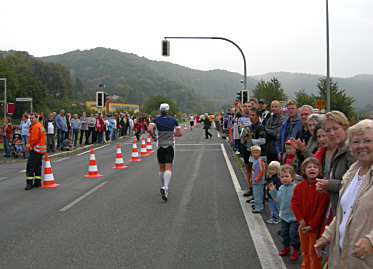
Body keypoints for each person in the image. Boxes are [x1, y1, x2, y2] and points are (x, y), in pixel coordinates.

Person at [314, 119, 373, 269]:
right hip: (343, 255)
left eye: (367, 141)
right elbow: (345, 210)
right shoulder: (353, 171)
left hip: (365, 260)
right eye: (356, 142)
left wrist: (370, 240)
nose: (361, 146)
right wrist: (327, 235)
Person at [291, 157, 331, 269]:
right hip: (303, 226)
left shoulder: (321, 188)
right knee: (305, 251)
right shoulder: (299, 186)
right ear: (304, 170)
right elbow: (294, 204)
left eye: (315, 167)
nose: (312, 169)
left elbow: (321, 210)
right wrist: (301, 220)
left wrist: (312, 225)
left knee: (314, 253)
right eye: (309, 167)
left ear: (319, 170)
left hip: (316, 229)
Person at [316, 110, 355, 214]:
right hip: (339, 210)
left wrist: (329, 184)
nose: (332, 133)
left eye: (336, 128)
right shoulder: (337, 151)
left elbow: (355, 185)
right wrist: (326, 186)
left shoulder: (351, 151)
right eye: (328, 130)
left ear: (345, 128)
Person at [148, 103, 183, 202]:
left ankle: (164, 186)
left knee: (161, 167)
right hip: (170, 146)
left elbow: (149, 128)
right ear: (168, 110)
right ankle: (165, 187)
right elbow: (180, 133)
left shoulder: (155, 120)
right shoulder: (173, 120)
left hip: (160, 146)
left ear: (159, 110)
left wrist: (154, 136)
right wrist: (173, 133)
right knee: (169, 167)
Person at [268, 165, 300, 261]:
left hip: (294, 217)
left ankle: (296, 249)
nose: (284, 179)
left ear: (292, 177)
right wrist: (273, 191)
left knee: (293, 234)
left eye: (286, 176)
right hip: (284, 216)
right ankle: (286, 247)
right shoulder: (281, 188)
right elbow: (278, 199)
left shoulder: (296, 188)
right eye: (282, 177)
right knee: (284, 233)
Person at [25, 113, 46, 190]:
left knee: (30, 167)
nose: (31, 120)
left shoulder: (35, 127)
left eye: (32, 118)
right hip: (40, 150)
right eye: (30, 118)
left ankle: (29, 183)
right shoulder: (40, 126)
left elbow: (34, 139)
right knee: (37, 166)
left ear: (36, 118)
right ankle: (37, 182)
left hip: (35, 149)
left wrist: (30, 147)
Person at [265, 100, 285, 164]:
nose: (274, 108)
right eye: (272, 107)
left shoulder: (282, 119)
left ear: (279, 108)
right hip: (268, 149)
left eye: (276, 107)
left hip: (276, 150)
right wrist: (271, 131)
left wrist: (267, 130)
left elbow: (277, 133)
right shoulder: (269, 120)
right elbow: (264, 133)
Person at [250, 145, 266, 214]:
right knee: (256, 194)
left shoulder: (260, 161)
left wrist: (258, 178)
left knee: (258, 195)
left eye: (256, 152)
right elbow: (253, 171)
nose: (254, 154)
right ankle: (257, 206)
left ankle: (259, 208)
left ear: (259, 153)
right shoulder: (255, 161)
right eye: (253, 153)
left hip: (259, 182)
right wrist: (252, 178)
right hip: (255, 181)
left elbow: (262, 170)